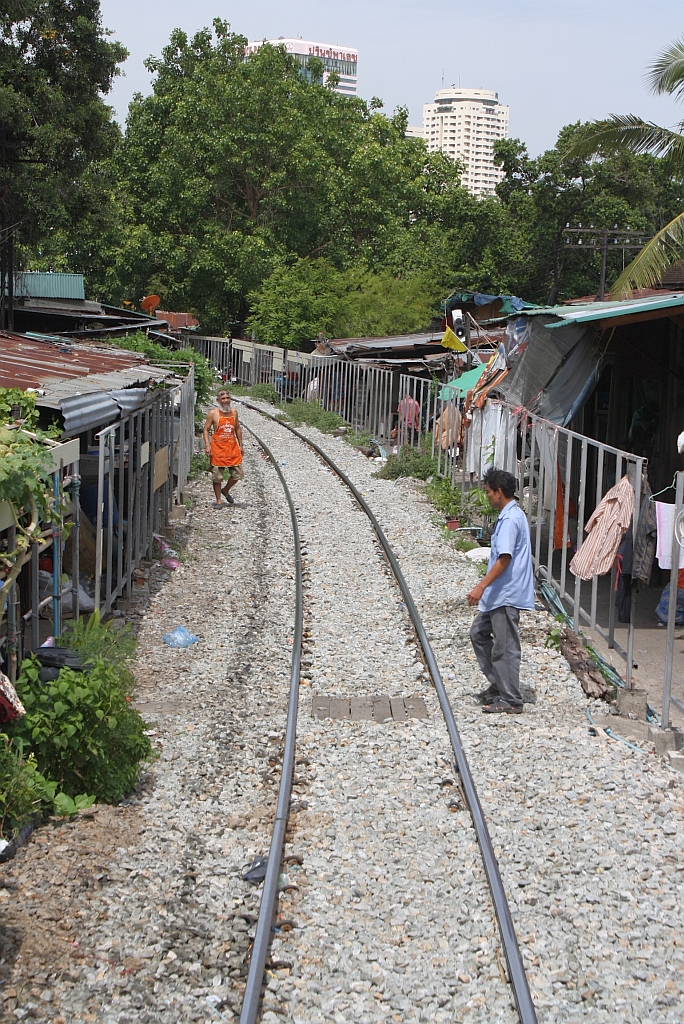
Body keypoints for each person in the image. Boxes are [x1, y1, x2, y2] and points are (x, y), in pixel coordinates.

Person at [467, 467, 534, 715]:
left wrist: (481, 586)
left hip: (506, 594)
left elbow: (504, 558)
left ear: (498, 492)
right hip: (499, 594)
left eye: (488, 492)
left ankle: (511, 699)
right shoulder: (512, 515)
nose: (487, 497)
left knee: (505, 647)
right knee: (478, 632)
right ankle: (499, 683)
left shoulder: (509, 520)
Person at [203, 390, 244, 508]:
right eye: (223, 398)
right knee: (217, 477)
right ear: (218, 400)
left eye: (227, 398)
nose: (226, 400)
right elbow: (206, 429)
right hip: (218, 449)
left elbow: (237, 428)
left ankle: (225, 490)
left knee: (238, 474)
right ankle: (218, 501)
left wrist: (241, 444)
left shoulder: (234, 412)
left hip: (232, 448)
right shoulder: (213, 413)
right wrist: (207, 445)